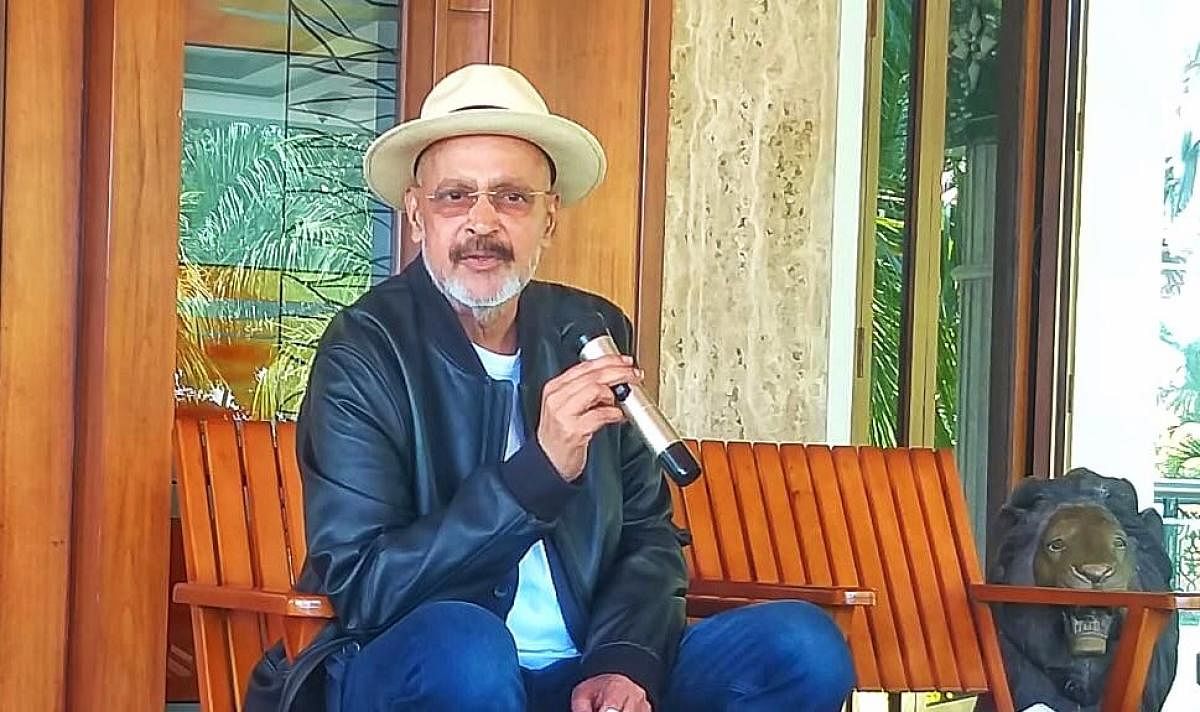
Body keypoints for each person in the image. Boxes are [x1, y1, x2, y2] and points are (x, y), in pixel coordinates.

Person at [274, 63, 854, 712]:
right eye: (455, 196)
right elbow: (365, 585)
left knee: (803, 647)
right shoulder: (367, 348)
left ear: (549, 219)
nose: (483, 223)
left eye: (512, 197)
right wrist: (538, 473)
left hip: (580, 667)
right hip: (418, 670)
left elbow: (647, 533)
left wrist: (624, 661)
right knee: (470, 647)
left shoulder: (590, 329)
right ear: (416, 216)